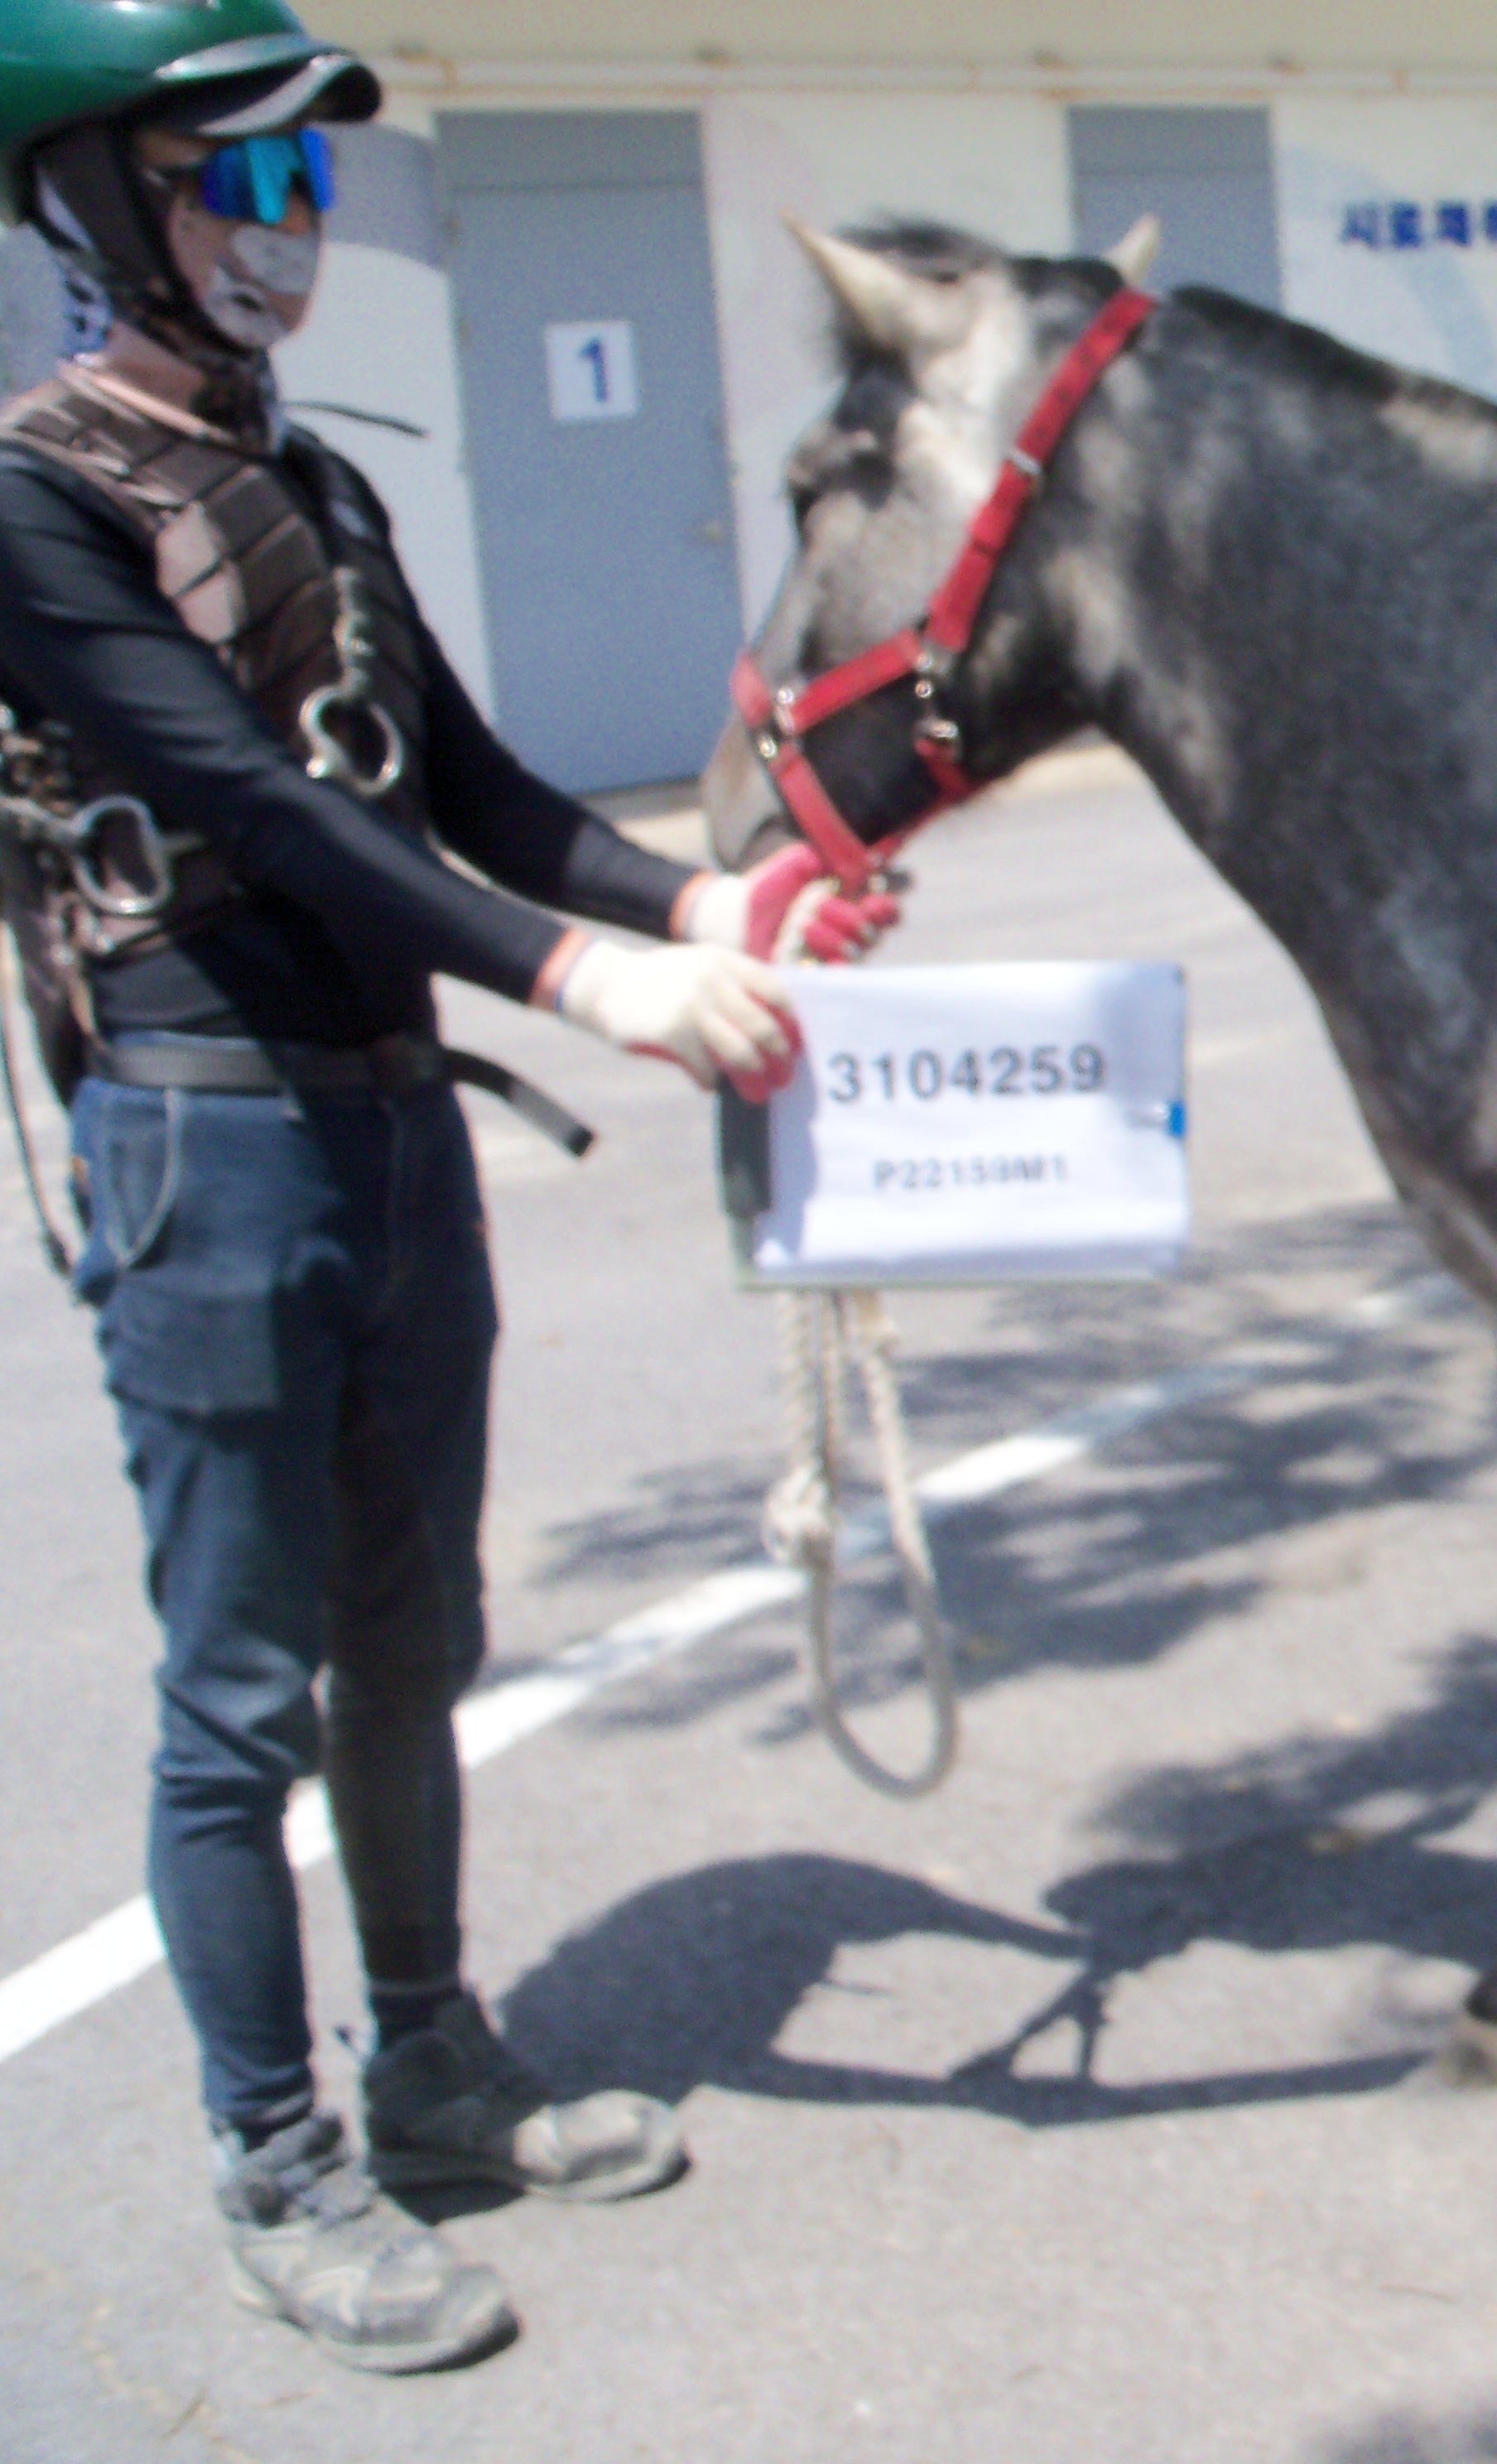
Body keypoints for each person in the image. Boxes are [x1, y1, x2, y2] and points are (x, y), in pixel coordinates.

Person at [0, 0, 893, 2375]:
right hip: (207, 1125)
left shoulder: (327, 484)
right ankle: (277, 2167)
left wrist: (704, 905)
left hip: (392, 1122)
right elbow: (271, 811)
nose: (300, 241)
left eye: (321, 195)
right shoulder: (35, 497)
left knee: (420, 1643)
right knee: (244, 1689)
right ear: (97, 200)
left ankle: (434, 2070)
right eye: (251, 185)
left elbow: (466, 791)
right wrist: (587, 990)